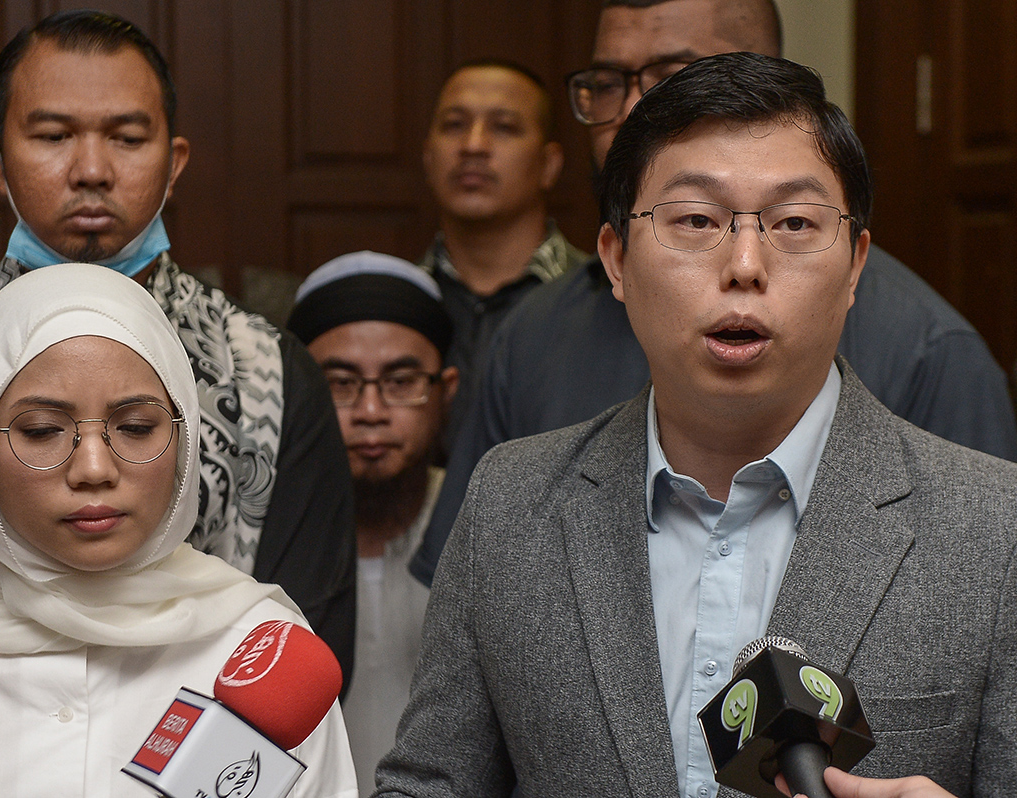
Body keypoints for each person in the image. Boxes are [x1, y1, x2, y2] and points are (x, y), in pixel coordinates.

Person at [375, 53, 1016, 798]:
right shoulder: (511, 503)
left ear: (853, 268)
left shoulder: (995, 528)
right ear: (615, 259)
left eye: (796, 223)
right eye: (696, 221)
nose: (744, 264)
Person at [0, 10, 356, 680]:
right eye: (52, 135)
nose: (93, 169)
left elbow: (305, 652)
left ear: (174, 160)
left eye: (128, 137)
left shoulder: (271, 373)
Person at [410, 0, 1017, 587]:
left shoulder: (928, 350)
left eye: (671, 80)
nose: (631, 113)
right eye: (608, 83)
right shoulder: (535, 332)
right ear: (615, 256)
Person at [0, 263, 357, 797]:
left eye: (137, 427)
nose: (94, 468)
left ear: (185, 437)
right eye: (43, 430)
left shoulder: (260, 650)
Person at [285, 252, 458, 797]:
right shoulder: (265, 537)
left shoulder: (490, 528)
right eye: (340, 385)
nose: (371, 410)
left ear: (446, 391)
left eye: (401, 381)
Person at [419, 59, 586, 441]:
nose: (473, 146)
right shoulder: (399, 304)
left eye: (504, 127)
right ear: (428, 158)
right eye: (454, 125)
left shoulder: (604, 298)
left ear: (549, 164)